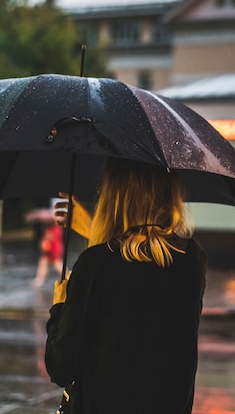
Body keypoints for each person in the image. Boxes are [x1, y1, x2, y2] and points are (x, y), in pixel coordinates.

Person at [45, 158, 207, 414]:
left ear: (115, 197)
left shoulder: (96, 264)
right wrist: (91, 229)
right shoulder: (192, 260)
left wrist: (59, 308)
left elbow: (60, 366)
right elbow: (139, 267)